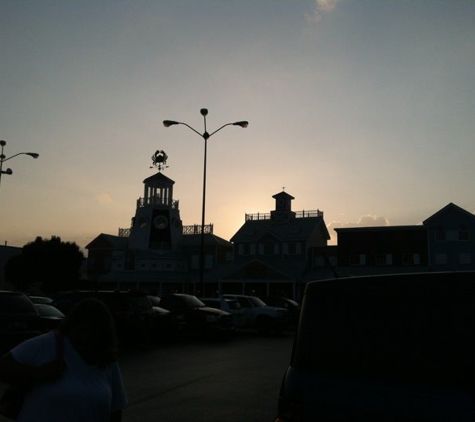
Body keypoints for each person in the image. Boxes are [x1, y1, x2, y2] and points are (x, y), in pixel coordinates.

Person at [0, 298, 128, 422]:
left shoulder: (106, 358)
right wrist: (40, 373)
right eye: (82, 330)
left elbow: (115, 409)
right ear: (72, 326)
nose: (86, 337)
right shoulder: (47, 344)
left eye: (94, 332)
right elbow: (3, 365)